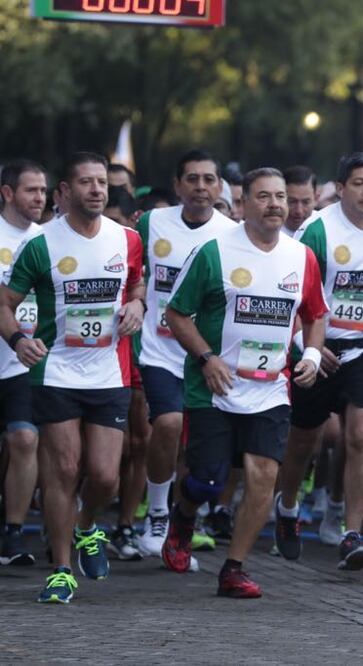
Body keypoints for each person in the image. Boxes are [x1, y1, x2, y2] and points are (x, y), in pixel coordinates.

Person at [159, 168, 327, 597]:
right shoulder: (214, 251)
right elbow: (176, 314)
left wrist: (308, 354)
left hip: (270, 388)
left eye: (281, 198)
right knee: (210, 478)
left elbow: (315, 314)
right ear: (243, 204)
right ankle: (183, 513)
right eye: (264, 197)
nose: (275, 205)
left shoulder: (300, 256)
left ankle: (234, 568)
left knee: (262, 477)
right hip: (215, 386)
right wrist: (207, 358)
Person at [0, 152, 144, 603]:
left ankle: (86, 529)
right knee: (63, 469)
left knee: (104, 477)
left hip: (109, 372)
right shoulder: (41, 243)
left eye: (101, 182)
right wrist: (19, 340)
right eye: (86, 183)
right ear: (65, 192)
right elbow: (4, 302)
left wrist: (137, 304)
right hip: (55, 370)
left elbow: (136, 284)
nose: (97, 190)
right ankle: (61, 569)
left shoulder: (128, 239)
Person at [275, 152, 363, 568]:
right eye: (360, 183)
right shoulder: (317, 230)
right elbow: (290, 293)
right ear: (340, 188)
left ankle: (352, 534)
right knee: (303, 440)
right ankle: (288, 507)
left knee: (362, 431)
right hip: (319, 349)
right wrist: (308, 345)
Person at [134, 150, 233, 559]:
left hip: (206, 353)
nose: (200, 187)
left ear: (219, 187)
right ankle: (156, 512)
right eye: (192, 179)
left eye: (209, 179)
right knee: (169, 424)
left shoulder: (232, 233)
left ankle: (188, 513)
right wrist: (135, 301)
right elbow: (131, 273)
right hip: (159, 349)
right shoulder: (151, 223)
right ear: (177, 186)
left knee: (205, 450)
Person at [0, 160, 46, 566]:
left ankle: (13, 533)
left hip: (23, 364)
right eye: (31, 190)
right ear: (8, 193)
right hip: (7, 348)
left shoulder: (49, 240)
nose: (40, 198)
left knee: (25, 438)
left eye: (44, 191)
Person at [282, 165, 317, 236]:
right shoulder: (266, 231)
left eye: (305, 202)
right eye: (292, 202)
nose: (299, 211)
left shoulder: (327, 228)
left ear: (316, 199)